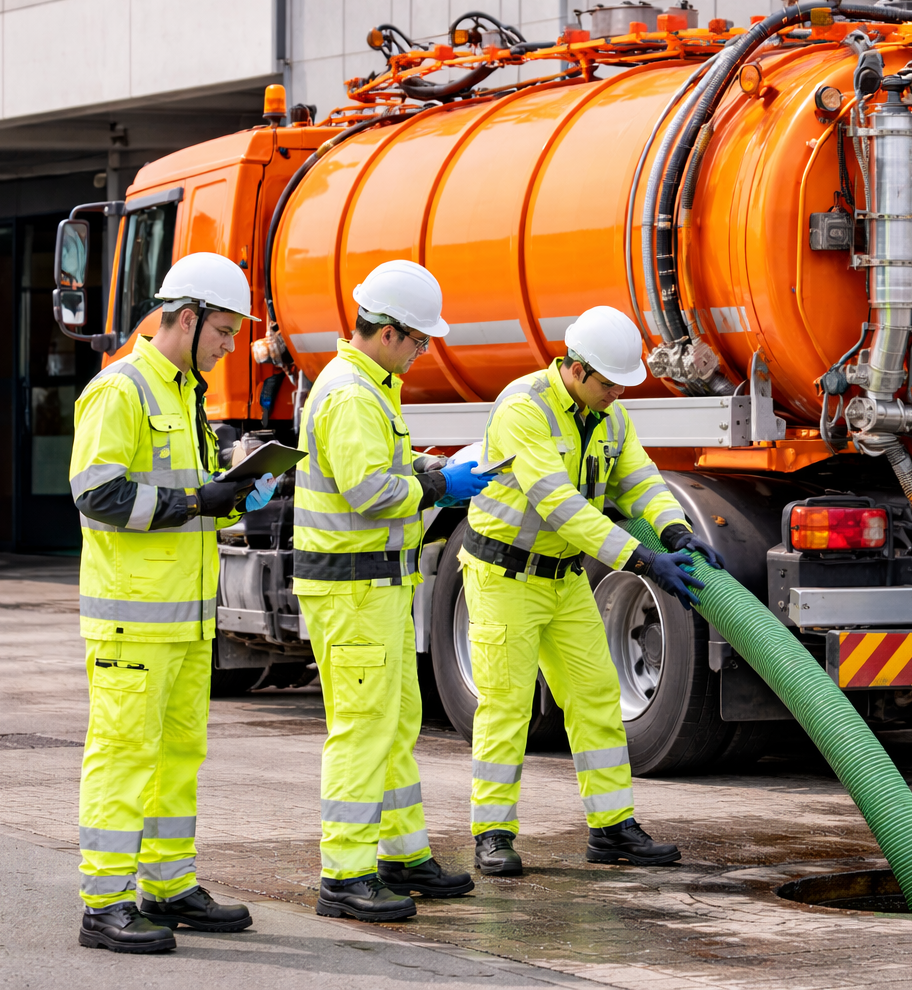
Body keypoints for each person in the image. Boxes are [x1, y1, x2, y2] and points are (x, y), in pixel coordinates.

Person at [461, 305, 724, 876]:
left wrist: (675, 527)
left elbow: (639, 481)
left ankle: (611, 829)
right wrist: (644, 560)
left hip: (563, 579)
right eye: (608, 383)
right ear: (576, 370)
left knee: (598, 699)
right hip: (503, 576)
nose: (615, 394)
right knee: (506, 707)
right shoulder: (523, 408)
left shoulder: (611, 416)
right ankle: (493, 833)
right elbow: (560, 506)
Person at [70, 251, 278, 953]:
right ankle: (104, 902)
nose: (228, 346)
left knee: (177, 757)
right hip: (132, 621)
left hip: (185, 622)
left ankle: (167, 885)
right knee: (125, 757)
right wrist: (197, 499)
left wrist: (231, 496)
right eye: (222, 331)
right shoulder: (120, 390)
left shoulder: (185, 393)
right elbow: (98, 497)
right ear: (185, 318)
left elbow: (182, 505)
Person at [293, 260, 491, 922]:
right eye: (418, 340)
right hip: (352, 591)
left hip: (371, 588)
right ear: (391, 332)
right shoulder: (353, 393)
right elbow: (368, 491)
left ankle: (400, 854)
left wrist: (431, 467)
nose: (421, 352)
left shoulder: (365, 386)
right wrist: (442, 486)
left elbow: (381, 469)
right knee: (362, 730)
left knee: (394, 723)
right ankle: (345, 875)